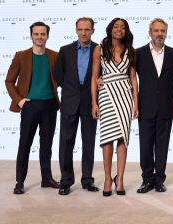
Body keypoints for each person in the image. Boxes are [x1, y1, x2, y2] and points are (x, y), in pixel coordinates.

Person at [6, 21, 60, 194]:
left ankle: (46, 178)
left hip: (50, 105)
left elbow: (63, 77)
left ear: (47, 36)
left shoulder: (54, 55)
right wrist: (19, 100)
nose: (39, 37)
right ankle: (20, 181)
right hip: (30, 106)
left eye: (43, 34)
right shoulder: (21, 56)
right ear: (31, 36)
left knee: (46, 145)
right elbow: (9, 81)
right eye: (36, 34)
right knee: (25, 144)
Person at [90, 18, 139, 197]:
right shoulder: (99, 50)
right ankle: (107, 179)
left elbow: (133, 79)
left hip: (125, 97)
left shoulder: (131, 51)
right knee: (107, 137)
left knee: (122, 138)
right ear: (110, 29)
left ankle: (120, 180)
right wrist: (94, 102)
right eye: (116, 27)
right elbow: (95, 77)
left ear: (126, 31)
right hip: (106, 96)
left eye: (123, 27)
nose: (119, 30)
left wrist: (136, 104)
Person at [55, 17, 99, 195]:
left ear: (93, 31)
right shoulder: (65, 50)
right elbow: (58, 75)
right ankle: (65, 181)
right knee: (66, 142)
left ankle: (87, 180)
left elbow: (101, 74)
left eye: (87, 29)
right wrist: (70, 90)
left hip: (90, 103)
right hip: (69, 102)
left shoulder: (99, 50)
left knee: (89, 142)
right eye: (80, 29)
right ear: (76, 30)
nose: (83, 33)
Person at [135, 18, 173, 194]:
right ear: (150, 32)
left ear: (166, 33)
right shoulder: (138, 53)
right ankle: (147, 179)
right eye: (156, 31)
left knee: (162, 143)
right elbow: (126, 76)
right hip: (145, 106)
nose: (160, 34)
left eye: (162, 31)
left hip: (166, 107)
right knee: (145, 144)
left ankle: (159, 179)